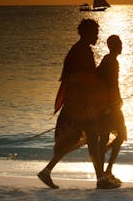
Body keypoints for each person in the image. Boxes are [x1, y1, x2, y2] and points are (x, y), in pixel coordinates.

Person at [37, 19, 120, 189]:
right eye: (95, 33)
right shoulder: (83, 52)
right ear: (87, 33)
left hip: (78, 103)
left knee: (87, 139)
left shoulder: (77, 50)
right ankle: (100, 179)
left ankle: (48, 171)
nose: (97, 36)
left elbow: (79, 76)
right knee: (88, 139)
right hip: (81, 105)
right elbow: (86, 78)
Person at [97, 35, 127, 184]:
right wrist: (115, 102)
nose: (121, 46)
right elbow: (112, 85)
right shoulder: (111, 61)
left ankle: (105, 170)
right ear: (113, 46)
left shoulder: (108, 60)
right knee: (120, 135)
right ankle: (105, 171)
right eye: (119, 44)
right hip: (110, 106)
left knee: (109, 137)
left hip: (109, 104)